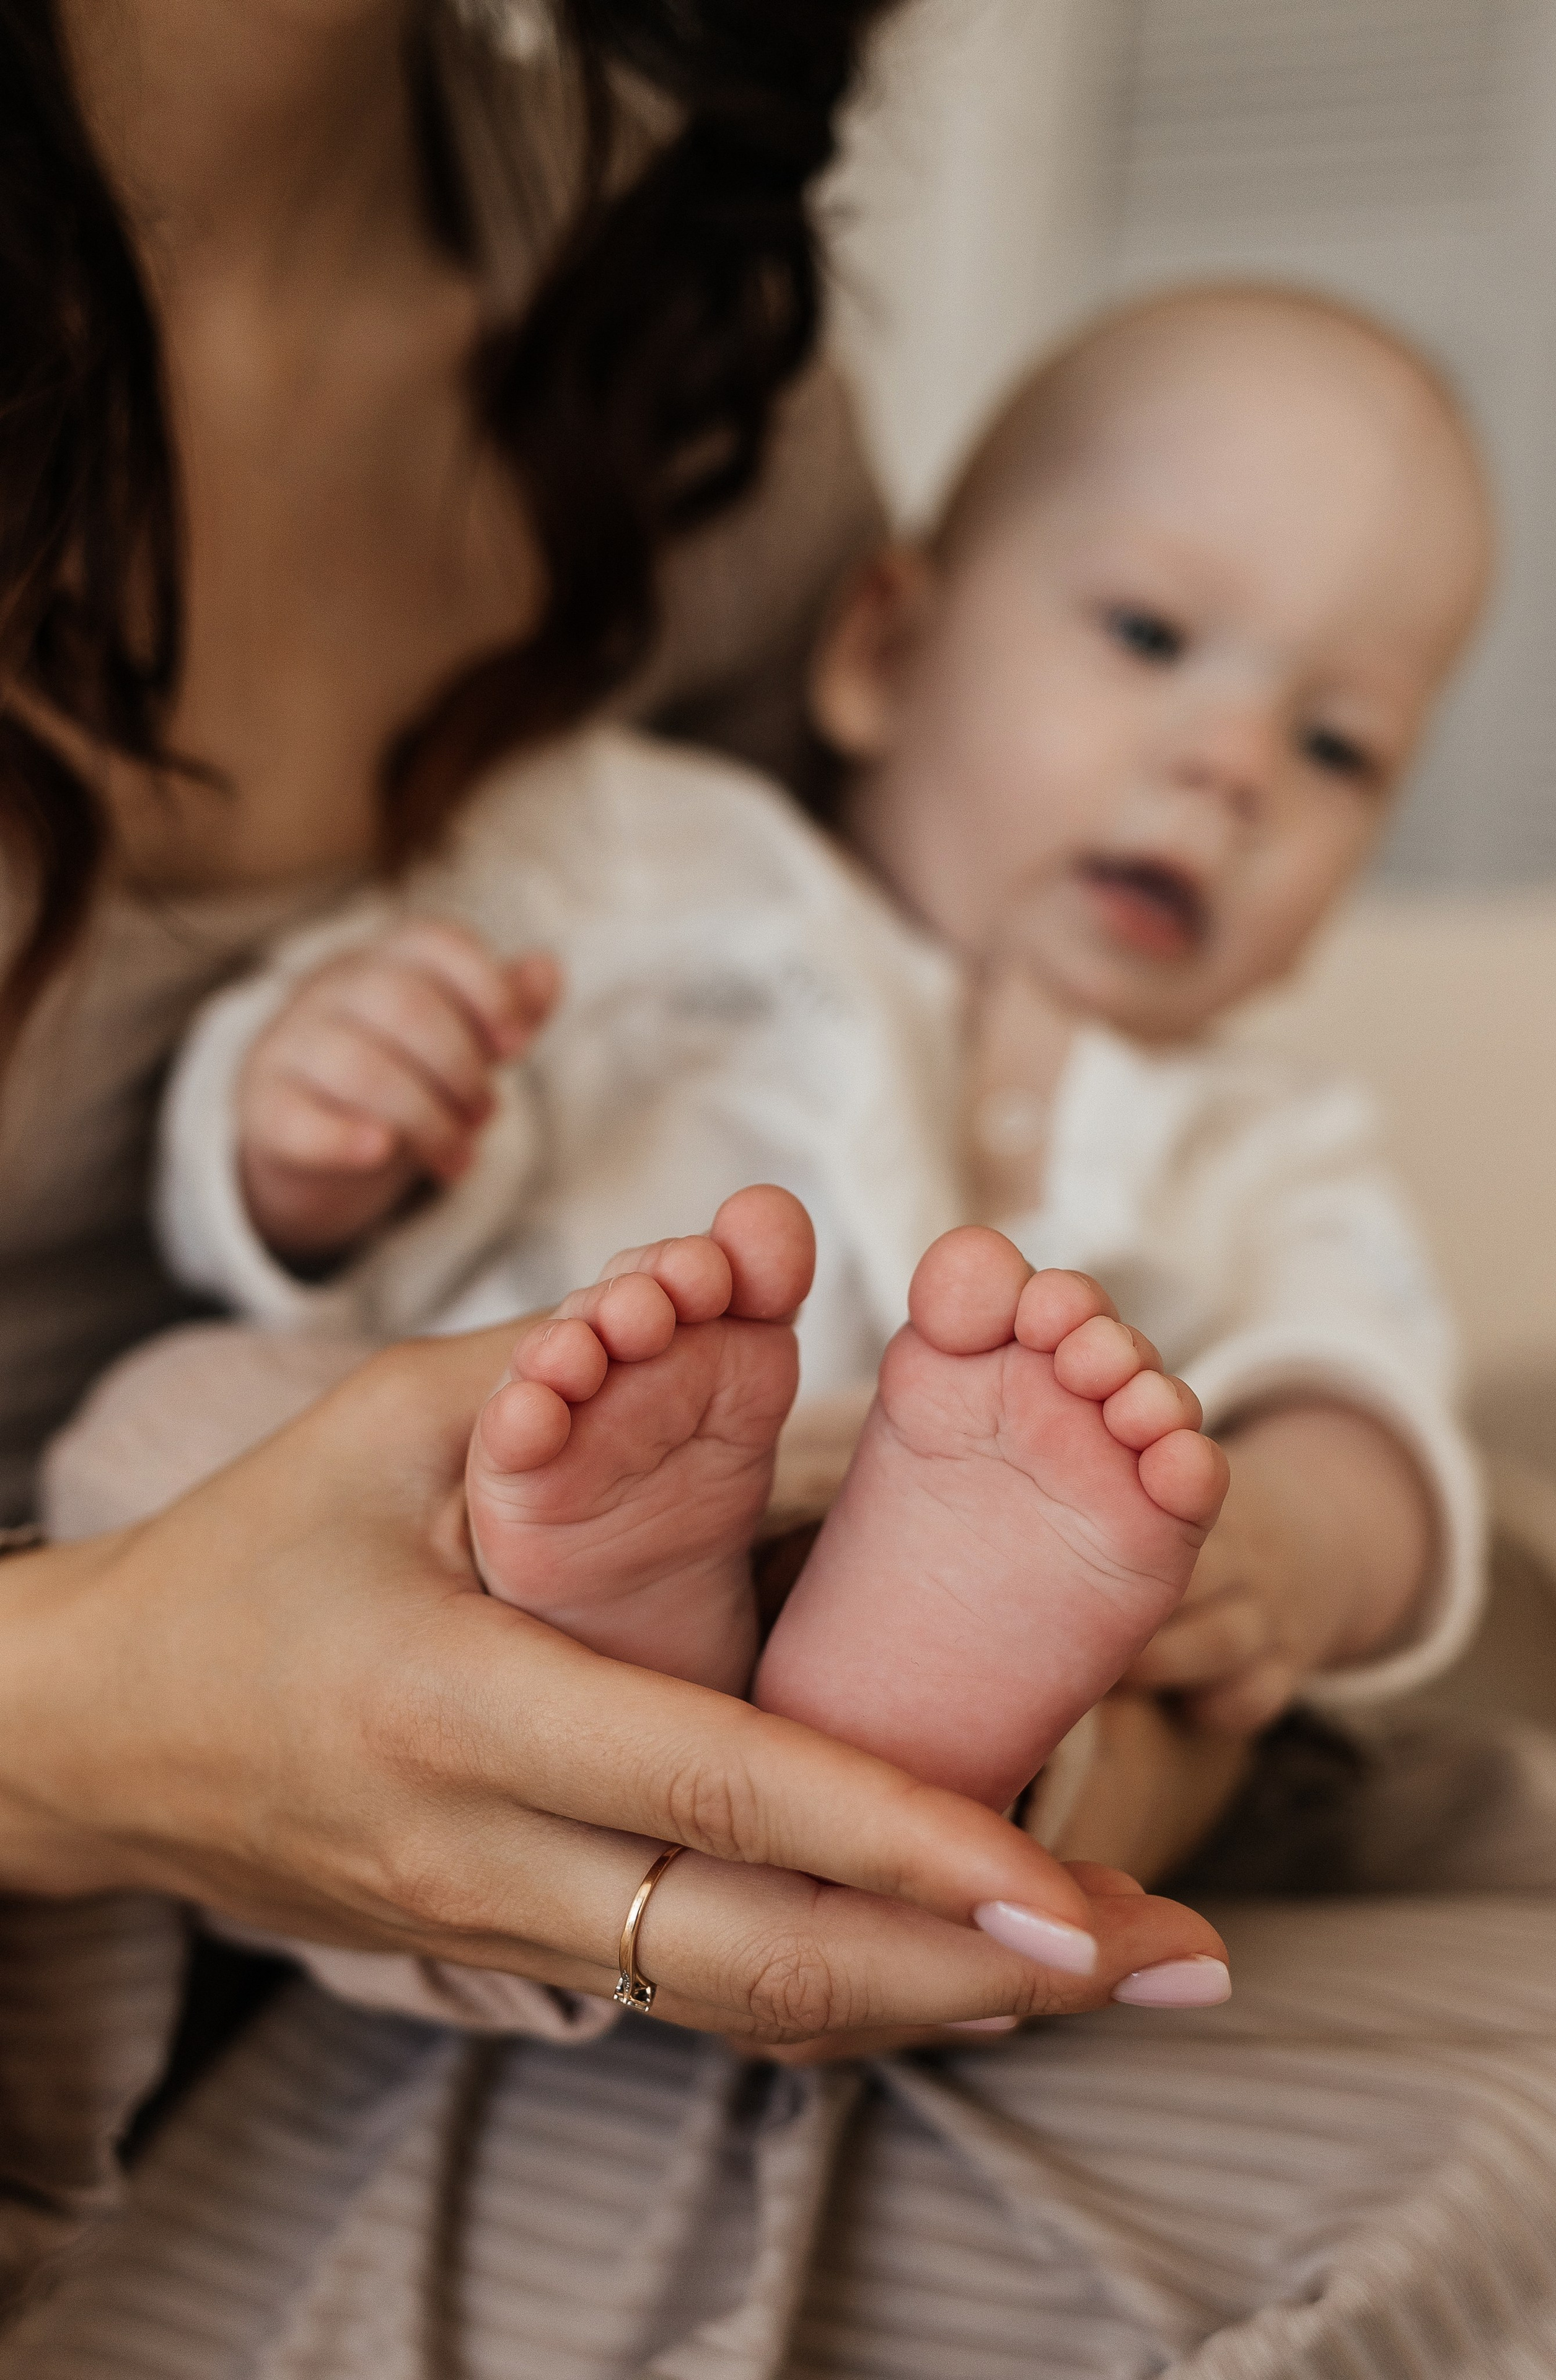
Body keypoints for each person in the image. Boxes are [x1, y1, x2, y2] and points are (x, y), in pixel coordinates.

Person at [0, 4, 1235, 2334]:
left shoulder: (662, 269)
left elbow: (918, 1024)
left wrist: (1179, 1683)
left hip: (635, 1497)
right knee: (175, 1438)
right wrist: (86, 1715)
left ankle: (885, 1740)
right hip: (153, 1607)